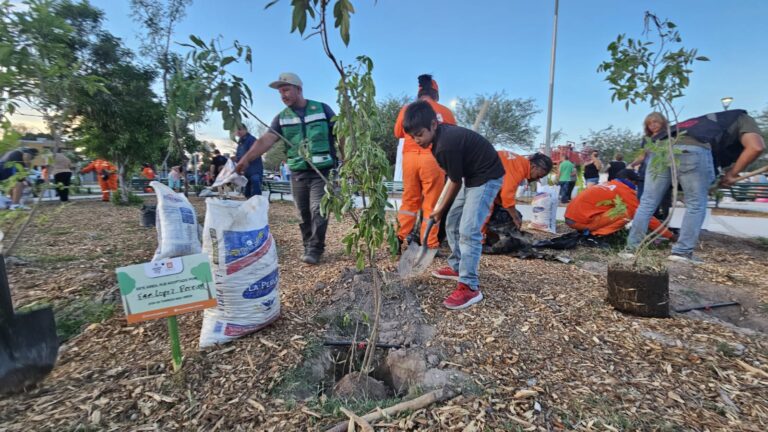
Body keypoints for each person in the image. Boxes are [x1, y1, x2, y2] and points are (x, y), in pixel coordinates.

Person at [625, 110, 765, 263]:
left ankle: (631, 249)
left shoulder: (701, 121)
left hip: (660, 151)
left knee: (647, 203)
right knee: (696, 205)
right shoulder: (742, 117)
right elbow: (755, 147)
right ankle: (682, 252)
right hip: (692, 150)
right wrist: (732, 173)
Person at [403, 100, 505, 310]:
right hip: (471, 176)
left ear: (433, 124)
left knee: (468, 230)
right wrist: (441, 212)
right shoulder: (438, 141)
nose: (417, 140)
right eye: (412, 136)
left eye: (420, 134)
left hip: (486, 177)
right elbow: (454, 178)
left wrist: (438, 209)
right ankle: (459, 266)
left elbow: (455, 182)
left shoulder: (445, 145)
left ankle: (469, 286)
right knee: (452, 221)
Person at [235, 72, 338, 265]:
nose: (283, 95)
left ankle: (316, 248)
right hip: (298, 172)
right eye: (280, 92)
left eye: (286, 90)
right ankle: (308, 244)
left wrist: (347, 158)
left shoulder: (322, 109)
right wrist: (246, 159)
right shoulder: (281, 118)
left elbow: (341, 132)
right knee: (302, 212)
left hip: (322, 171)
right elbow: (266, 140)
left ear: (299, 89)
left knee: (319, 209)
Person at [394, 74, 457, 251]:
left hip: (410, 159)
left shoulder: (408, 109)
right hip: (433, 158)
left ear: (419, 92)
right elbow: (452, 136)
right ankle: (429, 244)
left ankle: (399, 239)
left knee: (409, 201)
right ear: (436, 94)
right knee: (432, 203)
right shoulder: (445, 111)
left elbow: (398, 132)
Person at [566, 169, 674, 239]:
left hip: (572, 219)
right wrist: (669, 235)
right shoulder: (624, 190)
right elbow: (645, 216)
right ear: (628, 180)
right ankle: (596, 235)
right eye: (635, 182)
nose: (636, 185)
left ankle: (591, 230)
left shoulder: (608, 184)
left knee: (619, 209)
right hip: (581, 222)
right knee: (627, 213)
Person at [493, 151, 554, 229]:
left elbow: (500, 191)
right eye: (538, 176)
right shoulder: (518, 169)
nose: (537, 179)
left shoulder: (519, 163)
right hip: (478, 177)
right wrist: (515, 217)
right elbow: (506, 196)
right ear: (534, 167)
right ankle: (479, 239)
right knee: (485, 212)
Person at [234, 125, 263, 197]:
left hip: (254, 171)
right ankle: (250, 206)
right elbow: (239, 156)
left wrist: (242, 161)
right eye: (236, 130)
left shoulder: (251, 139)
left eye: (240, 129)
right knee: (247, 193)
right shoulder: (240, 143)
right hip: (246, 173)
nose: (238, 132)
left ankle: (257, 206)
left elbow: (254, 153)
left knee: (255, 193)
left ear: (245, 130)